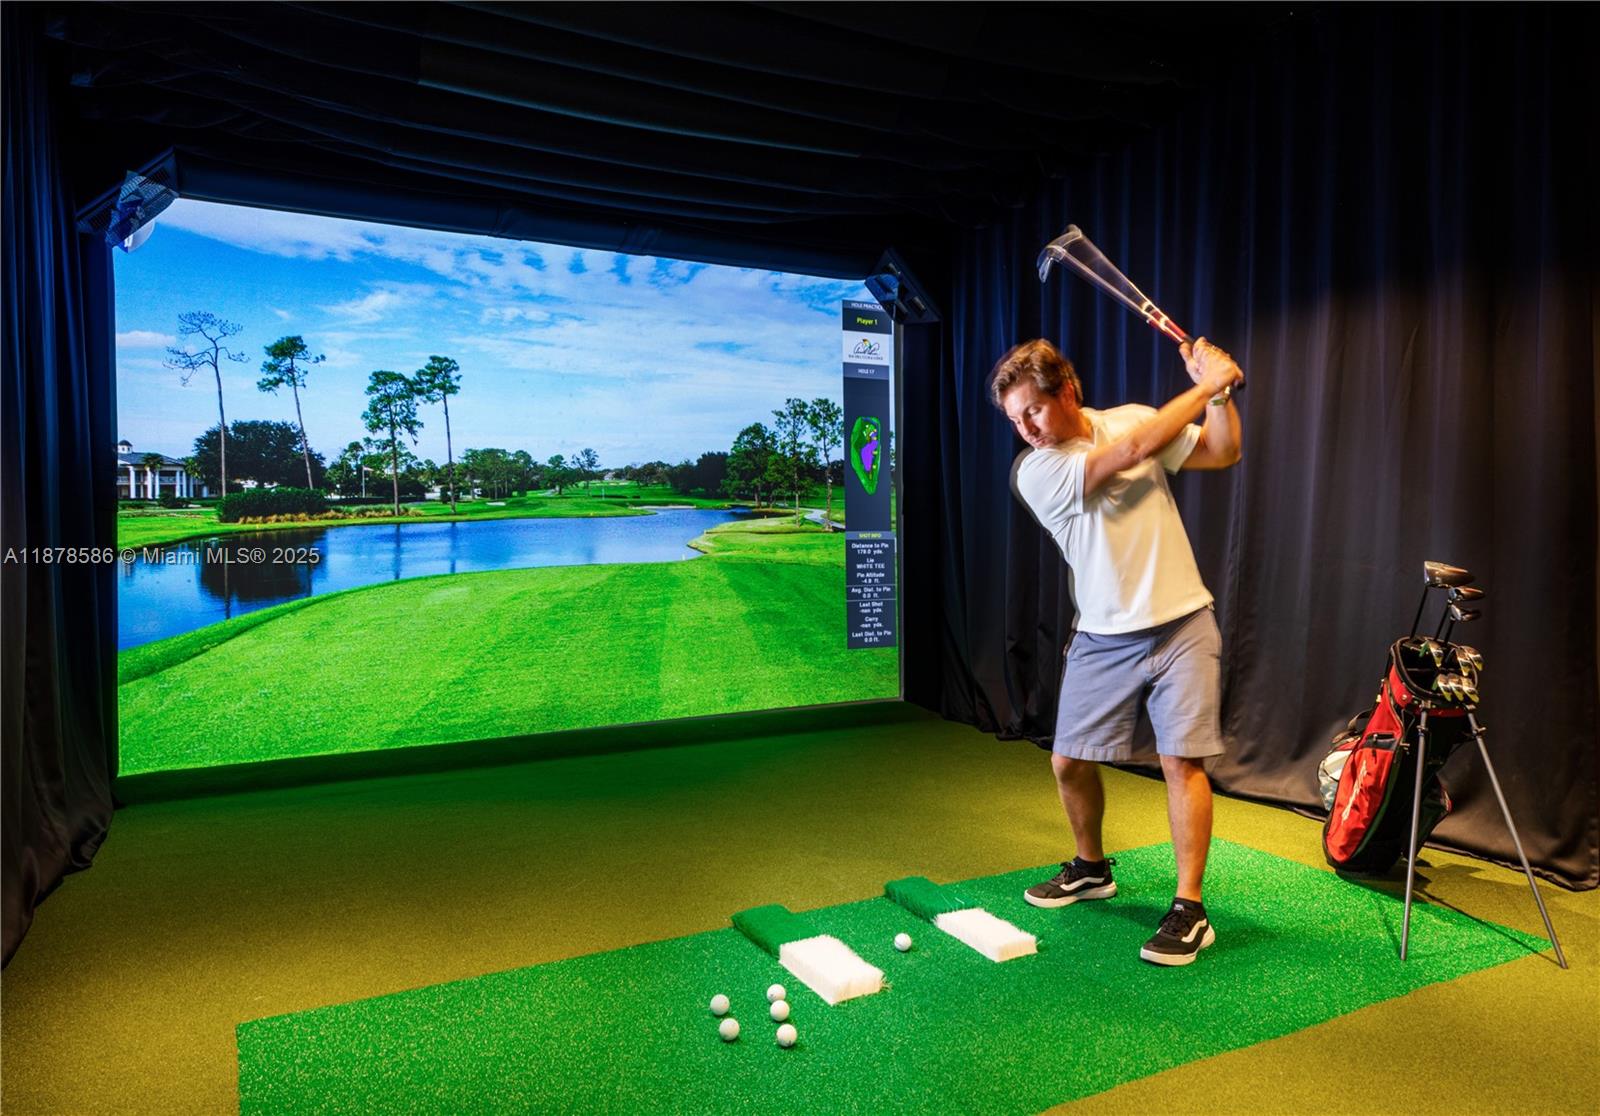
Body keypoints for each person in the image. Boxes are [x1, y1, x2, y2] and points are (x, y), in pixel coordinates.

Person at [988, 336, 1244, 966]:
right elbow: (1130, 453)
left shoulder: (1132, 417)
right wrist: (1206, 384)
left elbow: (1222, 451)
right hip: (1103, 635)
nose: (1026, 429)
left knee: (1182, 761)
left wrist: (1221, 397)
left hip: (1184, 623)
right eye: (1015, 420)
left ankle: (1189, 907)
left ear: (1068, 391)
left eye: (1033, 410)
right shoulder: (1036, 471)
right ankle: (1091, 867)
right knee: (1067, 762)